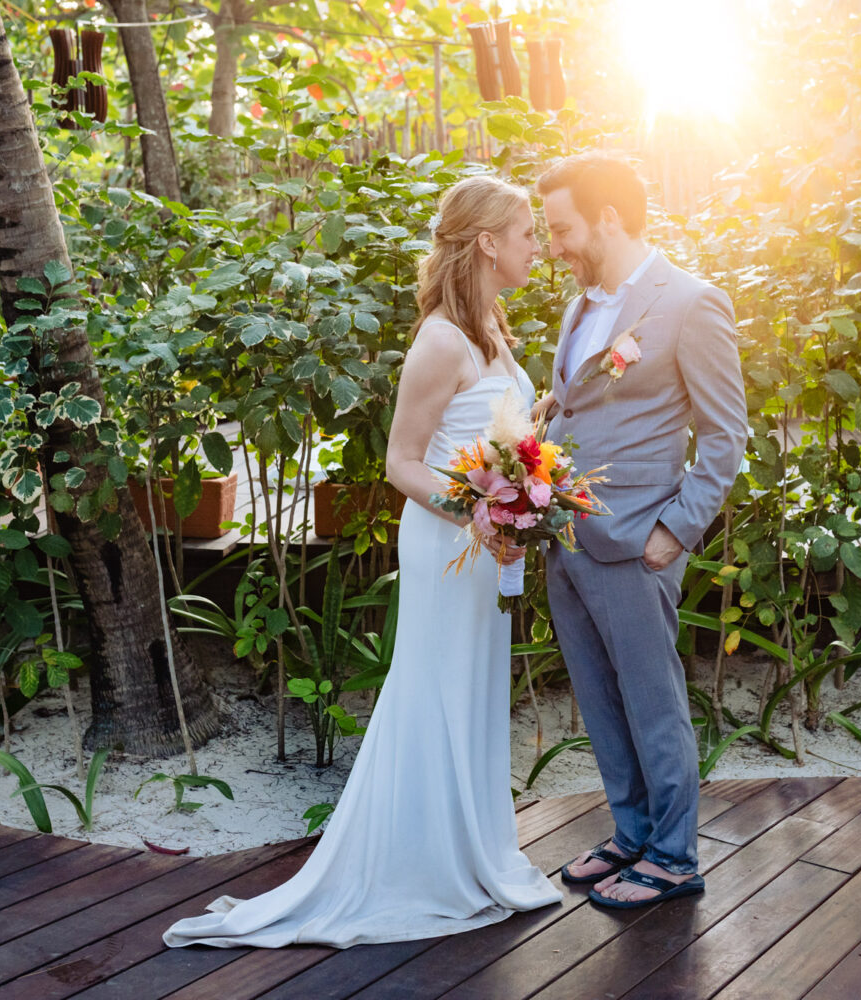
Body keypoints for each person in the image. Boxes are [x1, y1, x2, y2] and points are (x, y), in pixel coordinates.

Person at [163, 175, 562, 950]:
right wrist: (483, 512)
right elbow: (402, 464)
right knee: (434, 689)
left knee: (472, 690)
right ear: (486, 242)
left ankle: (472, 850)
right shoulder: (442, 335)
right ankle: (424, 867)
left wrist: (533, 449)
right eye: (524, 234)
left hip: (485, 545)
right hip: (450, 541)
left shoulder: (491, 326)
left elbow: (488, 432)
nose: (534, 247)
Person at [536, 153, 746, 908]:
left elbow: (725, 436)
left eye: (562, 228)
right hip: (564, 538)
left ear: (609, 218)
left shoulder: (692, 304)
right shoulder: (582, 303)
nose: (554, 244)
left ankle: (675, 855)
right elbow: (579, 404)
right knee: (598, 698)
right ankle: (631, 833)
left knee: (655, 705)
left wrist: (678, 530)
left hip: (637, 545)